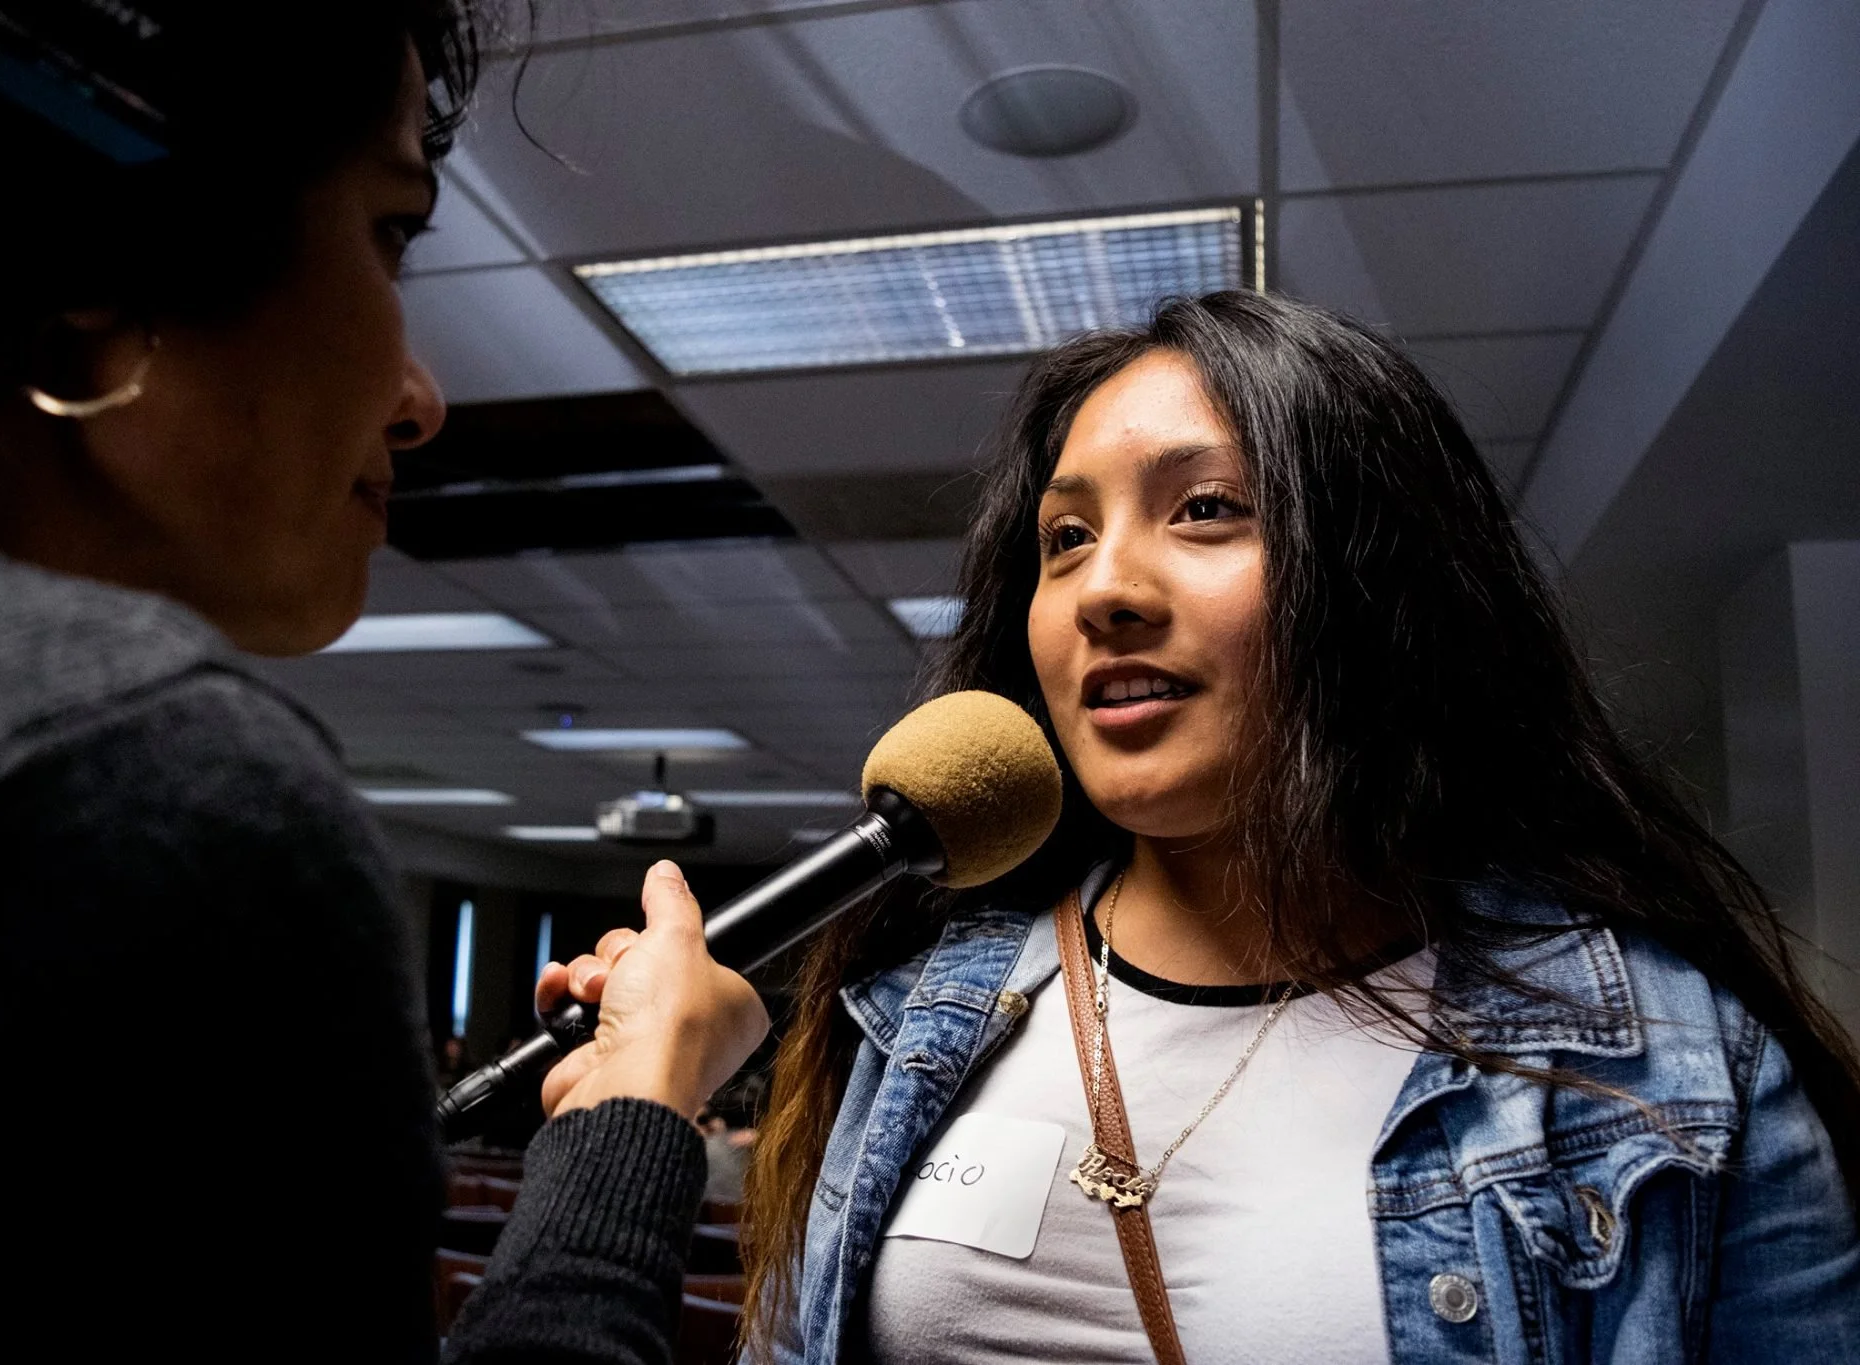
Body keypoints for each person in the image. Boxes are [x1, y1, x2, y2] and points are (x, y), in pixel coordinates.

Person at [0, 3, 765, 1361]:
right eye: (388, 231)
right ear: (101, 258)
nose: (421, 398)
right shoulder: (128, 790)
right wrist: (636, 1120)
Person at [741, 292, 1860, 1364]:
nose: (1101, 588)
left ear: (1378, 581)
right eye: (1066, 535)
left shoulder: (1669, 1068)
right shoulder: (912, 1017)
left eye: (1204, 509)